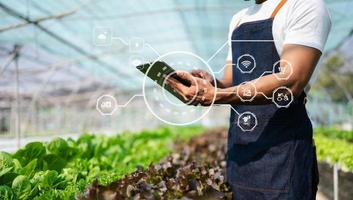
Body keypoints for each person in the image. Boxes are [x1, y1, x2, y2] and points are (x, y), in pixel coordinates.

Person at [167, 0, 332, 199]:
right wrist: (209, 84)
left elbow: (290, 81)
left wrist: (216, 96)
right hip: (240, 153)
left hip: (282, 153)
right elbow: (232, 81)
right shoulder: (238, 20)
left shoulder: (303, 5)